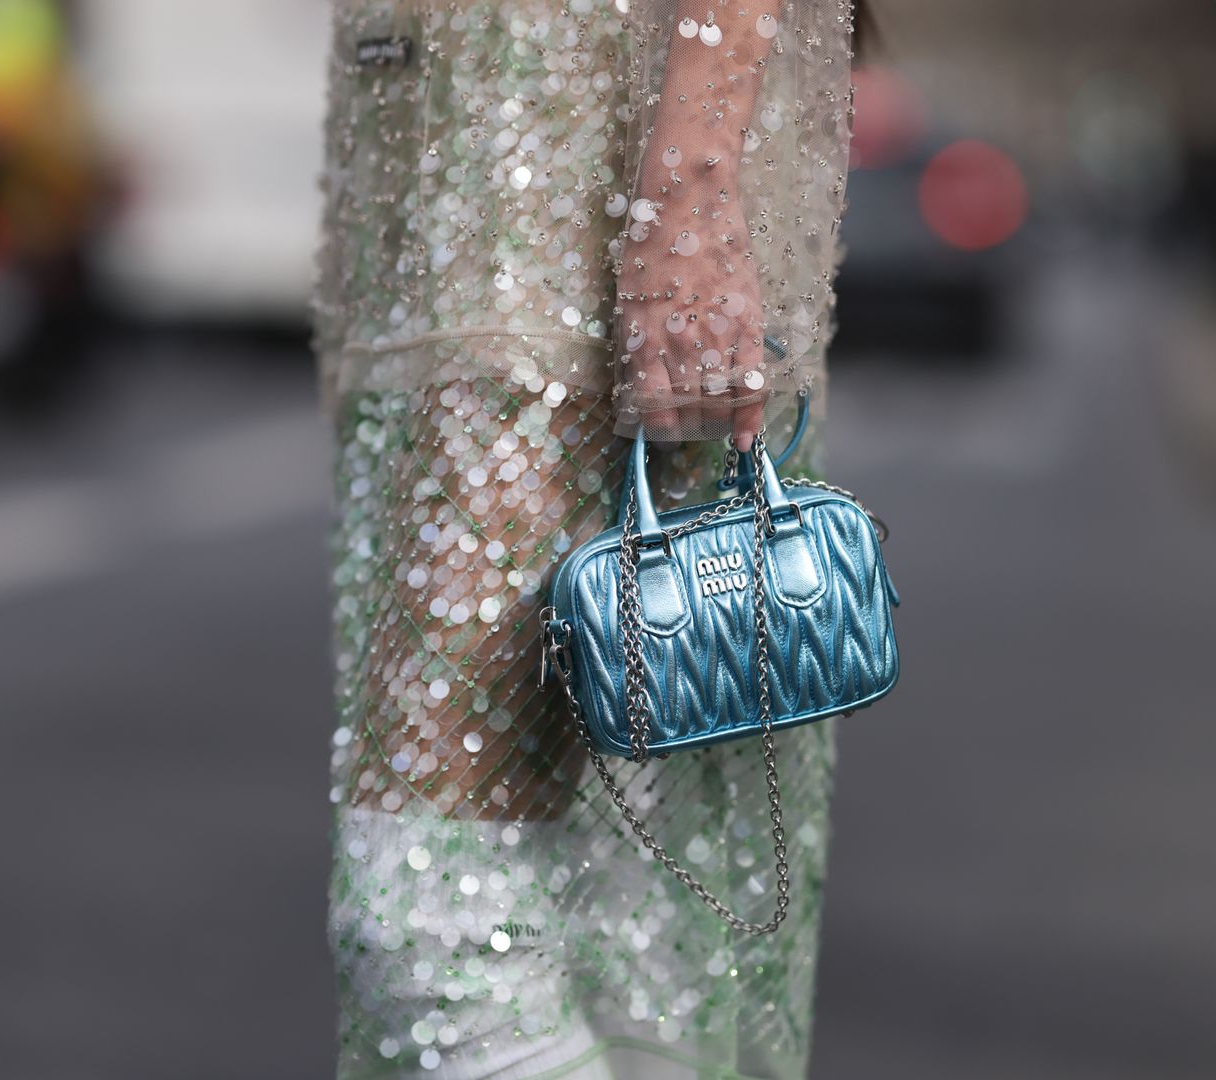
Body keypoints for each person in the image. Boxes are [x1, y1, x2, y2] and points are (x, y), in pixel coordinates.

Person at [312, 0, 868, 1074]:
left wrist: (690, 181)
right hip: (439, 178)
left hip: (567, 194)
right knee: (630, 924)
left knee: (434, 909)